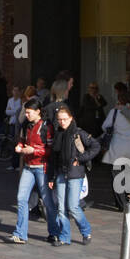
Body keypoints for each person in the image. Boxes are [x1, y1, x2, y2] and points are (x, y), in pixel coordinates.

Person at [9, 99, 57, 243]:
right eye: (26, 112)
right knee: (21, 198)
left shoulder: (46, 127)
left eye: (29, 112)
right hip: (29, 166)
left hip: (42, 167)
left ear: (38, 112)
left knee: (47, 201)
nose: (27, 115)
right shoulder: (26, 125)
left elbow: (50, 149)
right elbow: (22, 140)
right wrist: (19, 146)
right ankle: (20, 233)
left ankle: (54, 231)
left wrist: (34, 150)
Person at [47, 105, 94, 245]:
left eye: (65, 119)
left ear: (71, 118)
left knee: (73, 206)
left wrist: (81, 158)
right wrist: (51, 177)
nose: (62, 122)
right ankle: (64, 237)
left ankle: (86, 231)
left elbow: (95, 146)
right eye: (59, 119)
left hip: (75, 174)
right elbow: (54, 158)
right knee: (61, 207)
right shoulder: (58, 134)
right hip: (61, 173)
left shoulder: (78, 133)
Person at [102, 86, 130, 212]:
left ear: (118, 100)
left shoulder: (114, 112)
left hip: (117, 144)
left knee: (117, 175)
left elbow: (105, 127)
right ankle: (129, 197)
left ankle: (121, 203)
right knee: (129, 174)